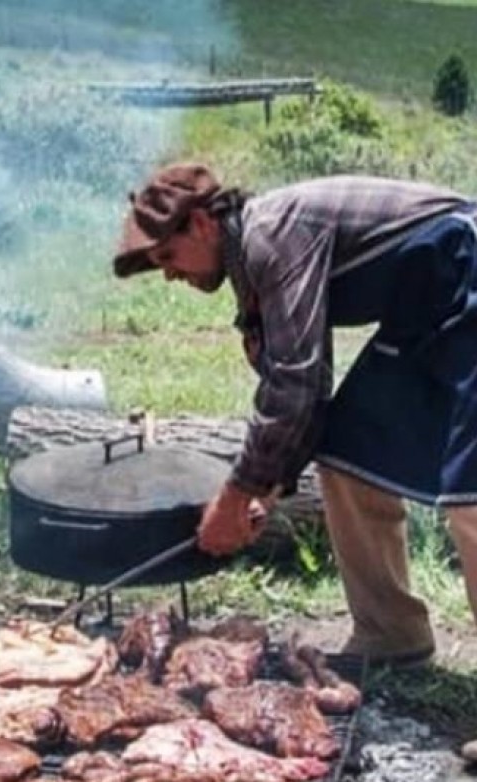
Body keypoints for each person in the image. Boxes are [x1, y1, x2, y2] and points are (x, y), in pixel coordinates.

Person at [113, 162, 477, 686]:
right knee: (351, 454)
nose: (169, 274)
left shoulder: (272, 236)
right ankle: (392, 634)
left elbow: (296, 386)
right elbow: (303, 388)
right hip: (426, 307)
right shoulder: (252, 266)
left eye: (167, 256)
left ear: (201, 224)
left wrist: (237, 494)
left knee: (472, 494)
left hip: (468, 268)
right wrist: (269, 485)